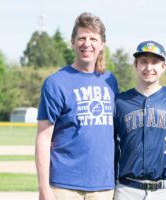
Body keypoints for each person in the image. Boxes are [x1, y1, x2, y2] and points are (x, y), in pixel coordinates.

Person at [35, 12, 118, 200]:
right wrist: (44, 189)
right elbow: (43, 137)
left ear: (102, 44)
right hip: (64, 186)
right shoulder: (56, 83)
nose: (87, 44)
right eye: (81, 38)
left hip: (103, 186)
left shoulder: (110, 81)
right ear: (73, 42)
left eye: (93, 38)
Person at [114, 40, 166, 200]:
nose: (149, 67)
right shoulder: (120, 101)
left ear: (163, 66)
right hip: (126, 189)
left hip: (163, 191)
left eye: (155, 62)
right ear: (135, 65)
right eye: (143, 61)